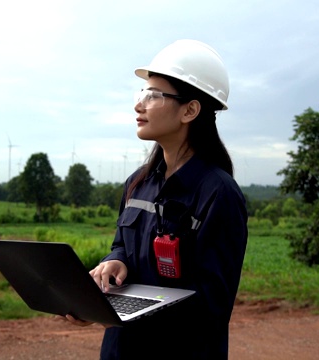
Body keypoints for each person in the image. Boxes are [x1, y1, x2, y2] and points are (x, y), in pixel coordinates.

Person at [63, 39, 248, 359]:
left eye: (153, 96)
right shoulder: (138, 184)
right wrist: (114, 263)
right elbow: (122, 245)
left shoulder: (219, 195)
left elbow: (212, 306)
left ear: (190, 110)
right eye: (141, 94)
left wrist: (122, 308)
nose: (139, 105)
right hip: (120, 351)